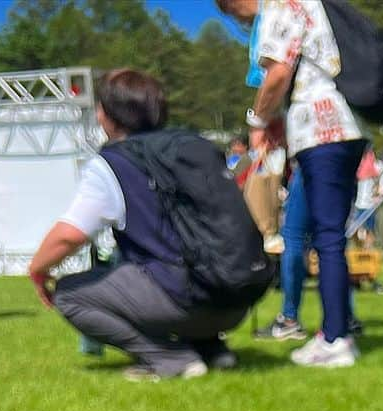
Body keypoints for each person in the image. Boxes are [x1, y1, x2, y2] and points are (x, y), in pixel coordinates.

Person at [28, 69, 248, 382]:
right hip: (238, 296)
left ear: (108, 115)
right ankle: (214, 349)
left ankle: (171, 359)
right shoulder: (195, 147)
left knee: (69, 294)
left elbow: (69, 235)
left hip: (183, 300)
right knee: (148, 260)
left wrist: (37, 269)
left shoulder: (114, 163)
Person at [217, 0, 368, 369]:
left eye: (239, 17)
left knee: (328, 238)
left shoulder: (277, 9)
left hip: (322, 131)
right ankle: (333, 330)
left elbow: (278, 73)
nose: (245, 22)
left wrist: (257, 120)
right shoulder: (309, 5)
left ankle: (336, 338)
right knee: (330, 236)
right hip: (349, 126)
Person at [254, 164, 361, 343]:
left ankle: (289, 319)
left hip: (313, 160)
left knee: (294, 238)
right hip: (343, 166)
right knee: (332, 241)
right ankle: (345, 317)